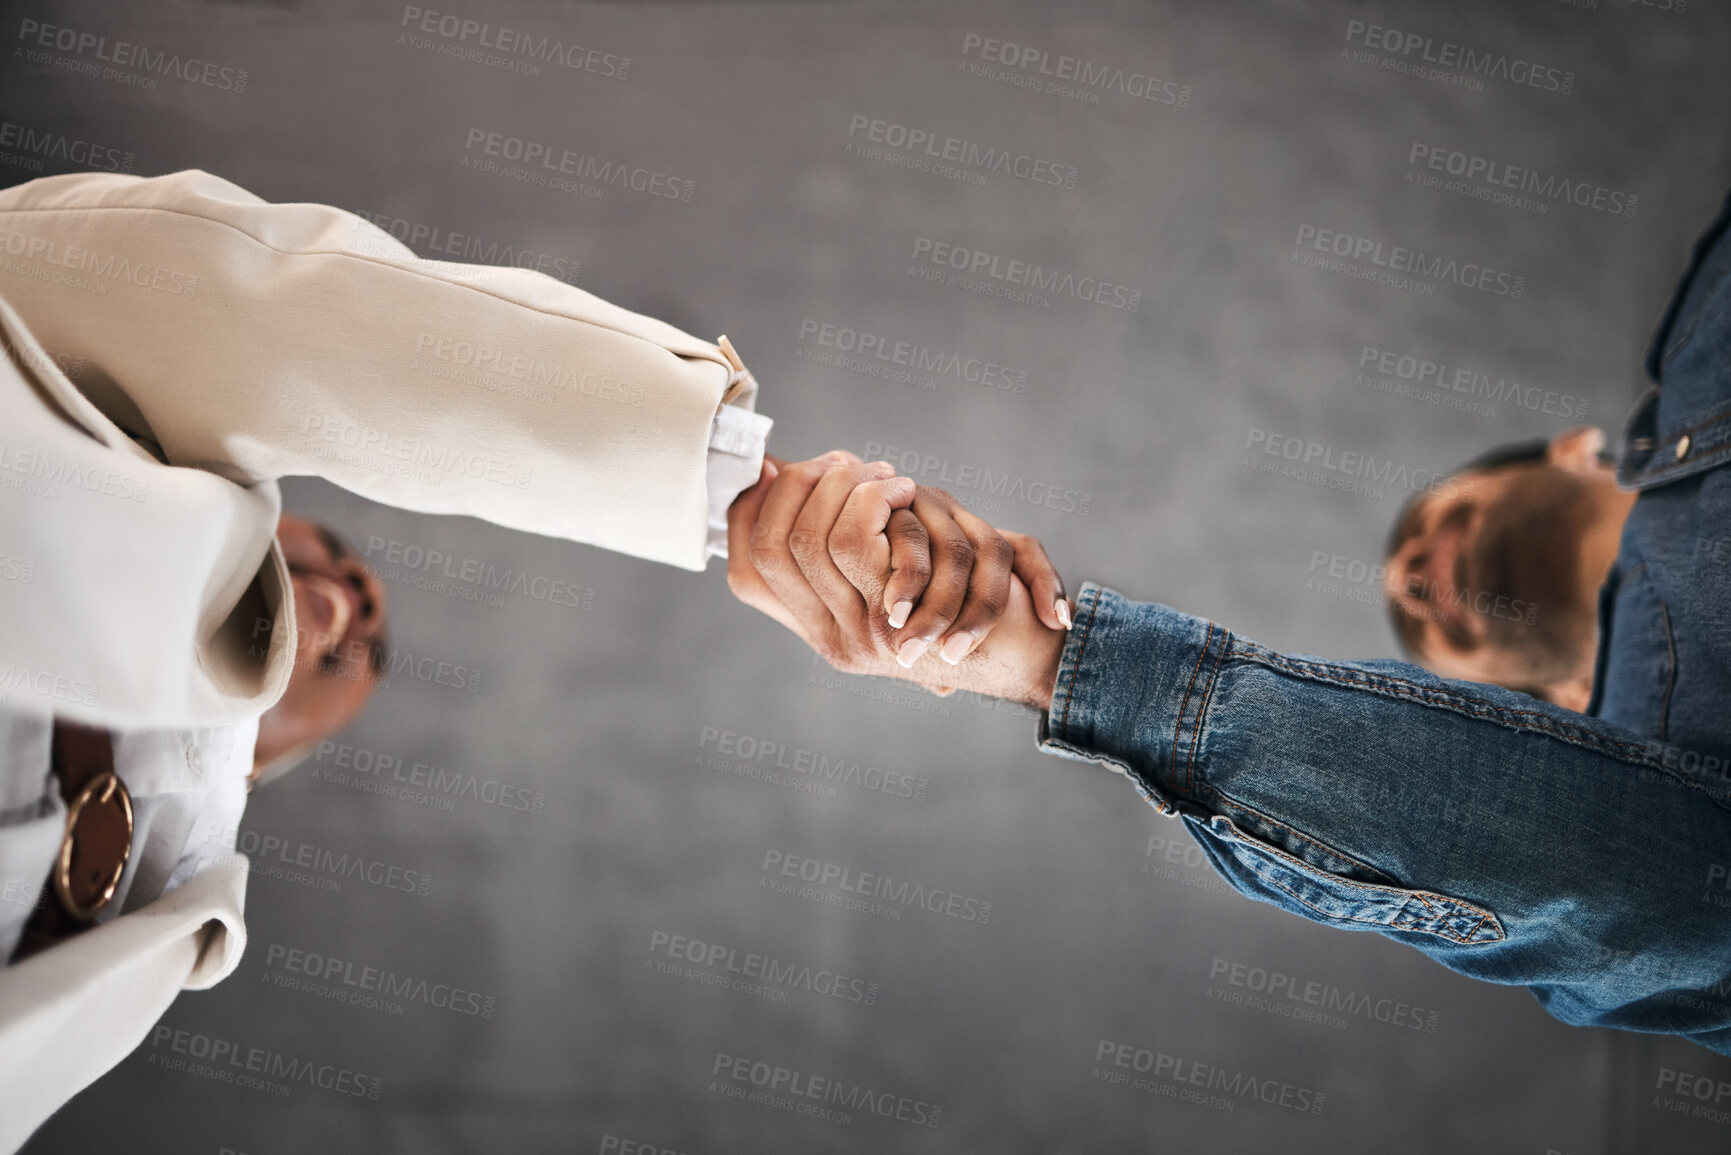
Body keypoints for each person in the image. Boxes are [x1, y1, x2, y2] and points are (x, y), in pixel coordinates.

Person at [0, 168, 1050, 1150]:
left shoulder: (163, 917)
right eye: (336, 563)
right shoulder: (73, 407)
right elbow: (282, 320)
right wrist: (742, 497)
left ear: (280, 765)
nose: (353, 602)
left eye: (363, 644)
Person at [726, 192, 1731, 1057]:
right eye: (1430, 619)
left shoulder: (1700, 334)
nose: (1416, 573)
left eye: (1433, 521)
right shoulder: (1644, 862)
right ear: (1543, 711)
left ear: (1570, 451)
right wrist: (1049, 660)